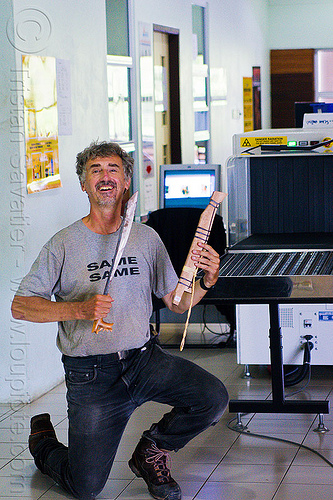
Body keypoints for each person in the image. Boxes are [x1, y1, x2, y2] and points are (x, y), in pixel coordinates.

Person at [11, 141, 229, 500]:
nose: (105, 176)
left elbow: (177, 302)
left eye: (113, 169)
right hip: (91, 375)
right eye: (95, 170)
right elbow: (21, 307)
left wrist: (207, 280)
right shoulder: (64, 244)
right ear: (83, 184)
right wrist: (78, 309)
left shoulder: (146, 238)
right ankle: (44, 444)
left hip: (145, 360)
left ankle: (150, 452)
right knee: (86, 487)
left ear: (126, 182)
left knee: (213, 397)